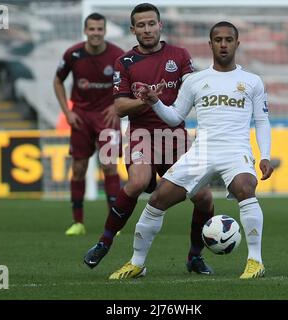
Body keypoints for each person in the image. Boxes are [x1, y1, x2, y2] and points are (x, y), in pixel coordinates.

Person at [109, 21, 274, 280]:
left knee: (245, 187)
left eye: (228, 39)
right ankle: (137, 263)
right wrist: (154, 102)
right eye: (218, 39)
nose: (223, 44)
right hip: (201, 152)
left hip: (235, 152)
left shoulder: (252, 81)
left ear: (237, 44)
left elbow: (262, 121)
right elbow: (174, 117)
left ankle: (255, 261)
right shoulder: (196, 81)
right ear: (210, 44)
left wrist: (264, 155)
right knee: (156, 200)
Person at [83, 3, 215, 275]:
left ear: (160, 25)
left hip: (175, 136)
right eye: (140, 25)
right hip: (141, 135)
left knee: (204, 197)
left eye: (151, 23)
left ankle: (195, 256)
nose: (147, 29)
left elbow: (191, 95)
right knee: (138, 182)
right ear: (133, 30)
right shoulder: (125, 62)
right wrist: (146, 100)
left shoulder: (179, 56)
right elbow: (120, 108)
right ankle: (104, 243)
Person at [53, 13, 124, 236]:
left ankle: (115, 224)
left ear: (105, 31)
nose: (95, 33)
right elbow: (57, 81)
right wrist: (67, 112)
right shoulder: (73, 54)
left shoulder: (117, 55)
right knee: (78, 168)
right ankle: (78, 223)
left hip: (106, 118)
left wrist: (116, 107)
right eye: (91, 29)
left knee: (110, 167)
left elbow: (128, 84)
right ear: (85, 30)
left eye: (99, 29)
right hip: (81, 117)